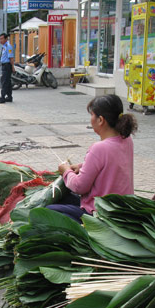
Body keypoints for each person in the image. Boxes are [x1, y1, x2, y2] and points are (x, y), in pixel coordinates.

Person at [46, 95, 138, 223]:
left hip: (101, 215)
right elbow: (107, 164)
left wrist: (66, 171)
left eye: (92, 115)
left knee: (48, 210)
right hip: (122, 210)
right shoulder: (126, 140)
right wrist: (81, 167)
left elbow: (79, 187)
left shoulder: (99, 148)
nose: (91, 119)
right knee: (63, 199)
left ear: (100, 120)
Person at [0, 33, 15, 104]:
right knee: (8, 82)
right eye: (0, 39)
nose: (0, 40)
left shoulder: (8, 46)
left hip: (7, 66)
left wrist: (12, 67)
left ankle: (2, 98)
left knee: (4, 82)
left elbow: (11, 58)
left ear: (6, 39)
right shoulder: (4, 46)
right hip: (4, 65)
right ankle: (9, 97)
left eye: (2, 39)